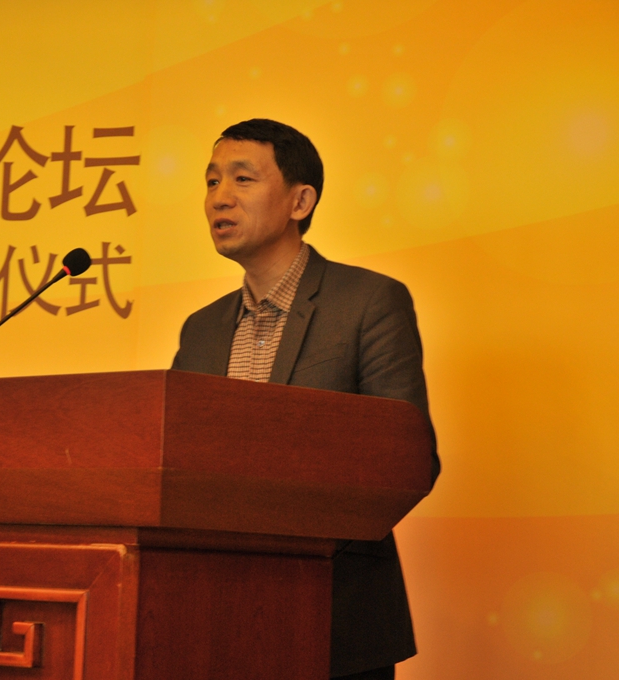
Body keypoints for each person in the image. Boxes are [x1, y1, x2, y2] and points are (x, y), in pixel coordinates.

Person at [171, 118, 440, 679]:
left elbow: (407, 459)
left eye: (243, 179)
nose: (219, 197)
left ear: (300, 201)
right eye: (212, 181)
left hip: (336, 615)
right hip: (208, 618)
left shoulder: (368, 302)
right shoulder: (201, 329)